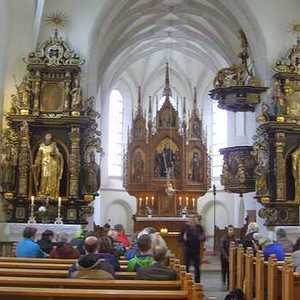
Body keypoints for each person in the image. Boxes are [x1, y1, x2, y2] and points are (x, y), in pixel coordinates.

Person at [180, 217, 206, 283]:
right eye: (190, 219)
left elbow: (203, 237)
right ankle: (186, 282)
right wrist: (184, 239)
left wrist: (201, 237)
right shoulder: (184, 228)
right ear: (188, 221)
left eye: (193, 219)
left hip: (196, 250)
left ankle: (197, 283)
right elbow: (180, 238)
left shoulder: (199, 227)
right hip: (187, 250)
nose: (191, 221)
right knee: (186, 267)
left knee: (197, 268)